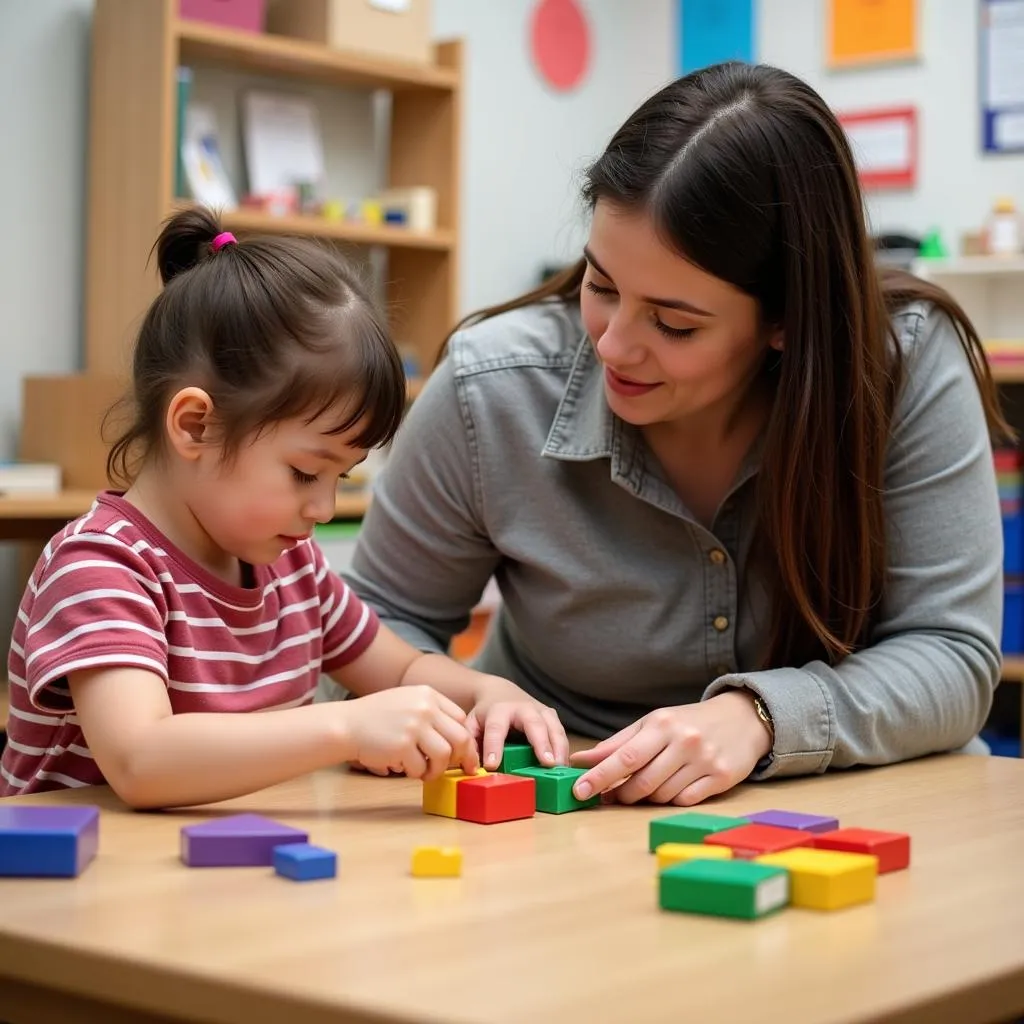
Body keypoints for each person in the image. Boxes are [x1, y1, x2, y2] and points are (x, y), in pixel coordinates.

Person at [342, 61, 1011, 808]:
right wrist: (461, 698)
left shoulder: (904, 368)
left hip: (847, 801)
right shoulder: (489, 388)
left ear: (787, 320)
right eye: (600, 286)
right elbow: (363, 631)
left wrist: (759, 717)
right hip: (558, 818)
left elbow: (952, 658)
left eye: (674, 322)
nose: (614, 347)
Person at [0, 207, 568, 808]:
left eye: (340, 476)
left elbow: (401, 672)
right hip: (98, 886)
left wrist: (486, 690)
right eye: (304, 472)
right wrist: (346, 727)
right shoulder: (100, 568)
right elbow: (142, 761)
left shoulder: (295, 571)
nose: (323, 506)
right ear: (195, 426)